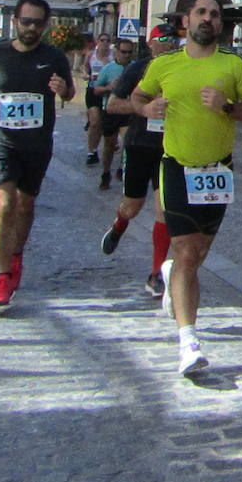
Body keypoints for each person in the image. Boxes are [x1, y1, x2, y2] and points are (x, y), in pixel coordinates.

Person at [130, 0, 242, 376]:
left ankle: (172, 273)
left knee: (197, 254)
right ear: (186, 20)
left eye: (215, 14)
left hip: (218, 171)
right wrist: (147, 109)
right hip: (177, 166)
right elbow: (137, 98)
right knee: (188, 253)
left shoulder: (234, 65)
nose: (208, 19)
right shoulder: (165, 65)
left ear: (220, 24)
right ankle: (188, 341)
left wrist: (228, 107)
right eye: (201, 13)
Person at [0, 0, 74, 308]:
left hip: (36, 143)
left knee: (25, 205)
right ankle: (2, 275)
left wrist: (63, 90)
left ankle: (15, 255)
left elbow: (70, 91)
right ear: (15, 21)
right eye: (26, 21)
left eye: (37, 23)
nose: (31, 28)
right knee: (5, 203)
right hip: (0, 139)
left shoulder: (54, 57)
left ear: (46, 25)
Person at [100, 22, 180, 297]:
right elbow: (112, 105)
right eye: (164, 40)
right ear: (150, 43)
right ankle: (119, 224)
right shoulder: (137, 69)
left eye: (174, 39)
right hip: (139, 145)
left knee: (164, 208)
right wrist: (143, 108)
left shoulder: (184, 67)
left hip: (170, 147)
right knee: (132, 206)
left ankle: (156, 273)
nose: (170, 44)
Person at [93, 40, 135, 189]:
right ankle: (106, 172)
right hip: (110, 111)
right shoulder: (108, 68)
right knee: (109, 145)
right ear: (116, 51)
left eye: (130, 52)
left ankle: (123, 169)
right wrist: (109, 87)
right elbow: (96, 89)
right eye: (124, 52)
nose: (127, 55)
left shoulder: (135, 67)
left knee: (128, 141)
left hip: (128, 110)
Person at [84, 32, 113, 165]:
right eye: (102, 40)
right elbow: (85, 68)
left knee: (105, 123)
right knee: (95, 121)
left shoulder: (113, 55)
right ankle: (92, 152)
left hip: (109, 92)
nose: (105, 43)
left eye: (107, 40)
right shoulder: (91, 55)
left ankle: (109, 146)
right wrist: (87, 75)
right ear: (97, 41)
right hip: (93, 90)